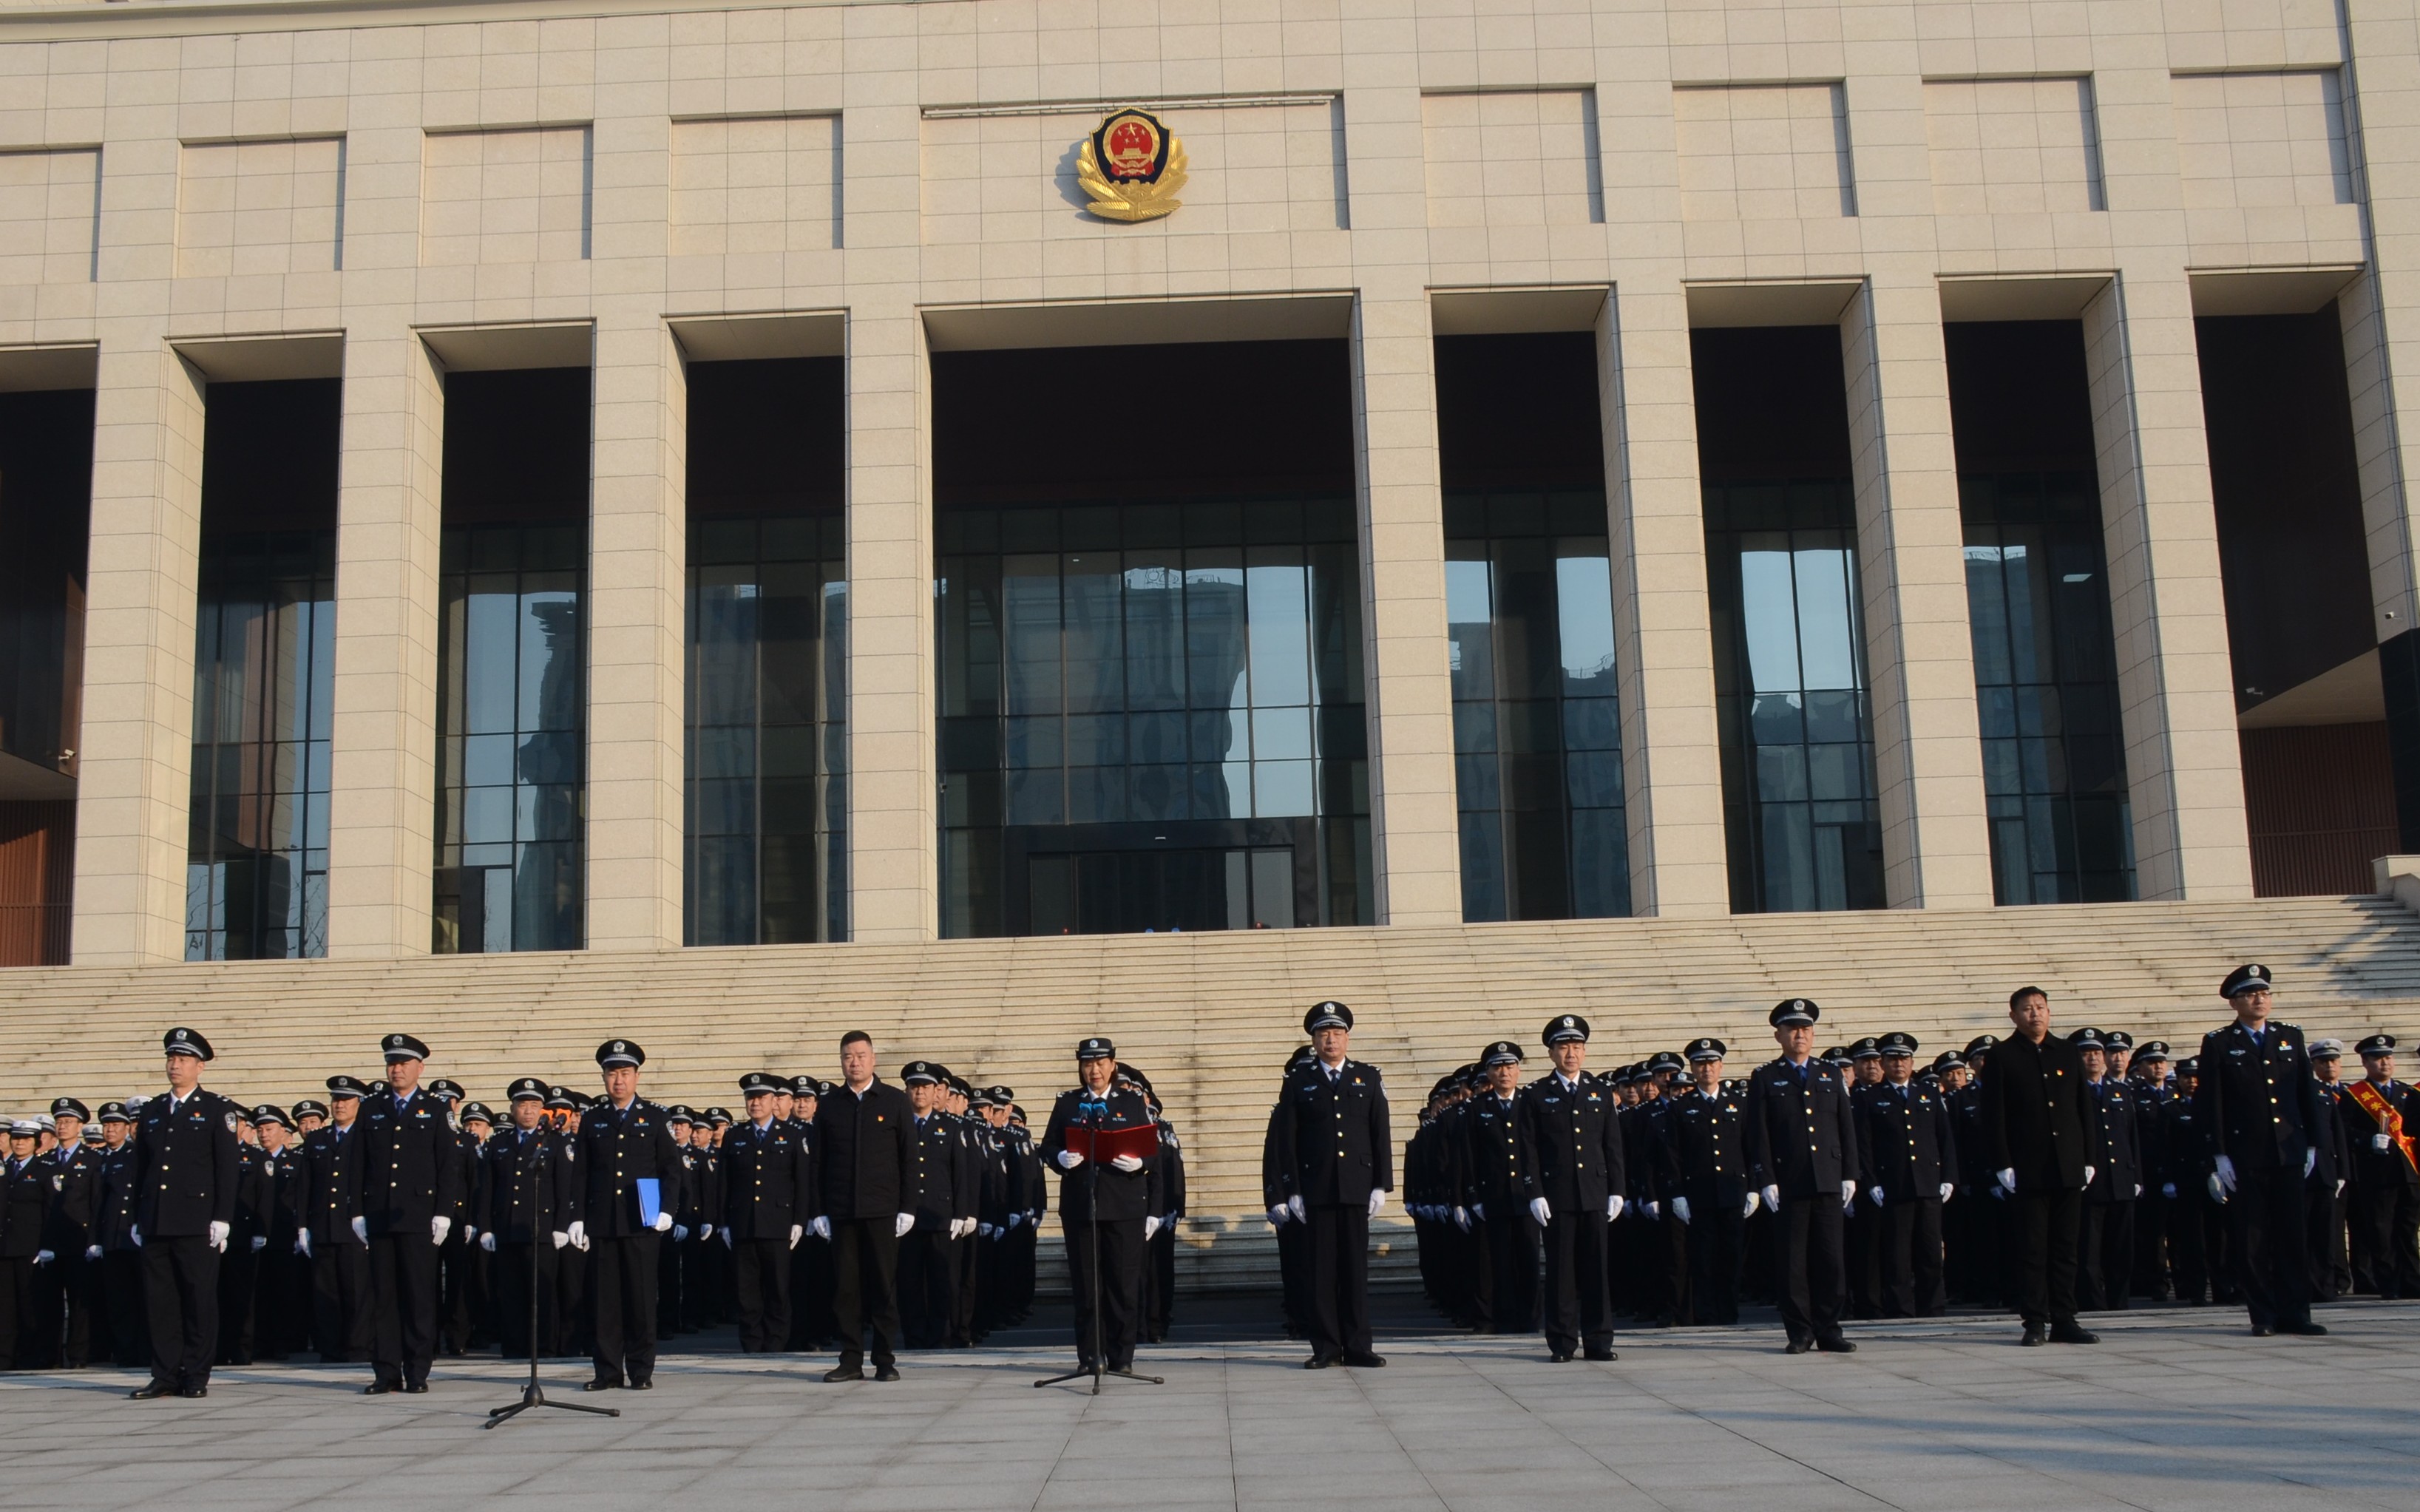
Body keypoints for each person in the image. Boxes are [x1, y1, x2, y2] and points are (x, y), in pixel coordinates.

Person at [2194, 964, 2327, 1337]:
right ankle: (2263, 1315)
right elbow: (2212, 1102)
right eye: (2251, 994)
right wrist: (2218, 1155)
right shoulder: (2220, 1042)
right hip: (2245, 1153)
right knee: (2253, 1238)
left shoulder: (2289, 1036)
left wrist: (2314, 1143)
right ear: (2235, 1002)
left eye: (2265, 993)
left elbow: (2306, 1093)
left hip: (2288, 1150)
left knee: (2292, 1236)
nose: (2259, 999)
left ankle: (2296, 1313)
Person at [1273, 1000, 1392, 1369]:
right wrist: (1291, 1189)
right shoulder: (1299, 1081)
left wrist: (1380, 1185)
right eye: (1324, 1034)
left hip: (1356, 1187)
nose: (1331, 1040)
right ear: (1313, 1040)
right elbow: (1286, 1140)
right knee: (1321, 1272)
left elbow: (1380, 1133)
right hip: (1316, 1188)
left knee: (1355, 1270)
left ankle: (1358, 1345)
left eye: (1337, 1033)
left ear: (1347, 1038)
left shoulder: (1368, 1078)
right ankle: (1325, 1346)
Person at [127, 1026, 243, 1398]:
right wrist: (135, 1217)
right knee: (160, 1303)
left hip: (196, 1220)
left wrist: (222, 1217)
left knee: (198, 1300)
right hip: (157, 1219)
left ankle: (195, 1374)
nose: (174, 1065)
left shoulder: (216, 1110)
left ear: (200, 1067)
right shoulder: (153, 1110)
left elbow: (226, 1168)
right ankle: (164, 1374)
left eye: (183, 1059)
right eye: (171, 1058)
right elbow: (141, 1168)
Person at [1981, 986, 2100, 1346]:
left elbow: (2084, 1109)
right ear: (2013, 1015)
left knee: (2066, 1248)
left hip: (2067, 1164)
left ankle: (2065, 1318)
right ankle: (2035, 1320)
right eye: (2027, 1009)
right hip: (2028, 1167)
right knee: (2033, 1249)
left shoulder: (2066, 1051)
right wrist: (2003, 1162)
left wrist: (2089, 1158)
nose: (2035, 1014)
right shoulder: (2001, 1056)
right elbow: (1994, 1114)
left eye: (2041, 1008)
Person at [1743, 999, 1858, 1354]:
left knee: (1830, 1259)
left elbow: (1844, 1127)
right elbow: (1758, 1133)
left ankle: (1829, 1328)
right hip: (1789, 1180)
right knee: (1793, 1262)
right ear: (1779, 1035)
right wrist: (1765, 1178)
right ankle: (1800, 1331)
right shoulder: (1766, 1077)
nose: (1800, 1035)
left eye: (1805, 1029)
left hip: (1827, 1177)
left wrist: (1849, 1173)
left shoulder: (1829, 1073)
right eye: (1792, 1030)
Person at [355, 1034, 467, 1395]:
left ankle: (417, 1371)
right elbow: (358, 1164)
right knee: (383, 1298)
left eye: (403, 1063)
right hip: (380, 1215)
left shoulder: (435, 1109)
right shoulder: (371, 1108)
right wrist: (356, 1212)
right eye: (392, 1063)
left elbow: (448, 1165)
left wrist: (443, 1212)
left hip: (419, 1215)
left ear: (420, 1067)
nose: (396, 1069)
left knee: (419, 1296)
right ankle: (386, 1371)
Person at [1040, 1037, 1159, 1374]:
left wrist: (1142, 1164)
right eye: (1088, 1064)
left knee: (1122, 1286)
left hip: (1124, 1206)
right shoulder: (1068, 1104)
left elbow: (1153, 1148)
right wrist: (1060, 1157)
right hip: (1082, 1206)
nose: (1094, 1070)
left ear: (1113, 1066)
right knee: (1087, 1286)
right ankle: (1091, 1356)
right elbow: (1048, 1146)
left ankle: (1122, 1357)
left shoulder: (1133, 1101)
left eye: (1101, 1063)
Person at [575, 1038, 685, 1389]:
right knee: (604, 1303)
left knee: (640, 1299)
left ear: (636, 1076)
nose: (618, 1081)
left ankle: (640, 1370)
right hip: (604, 1222)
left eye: (625, 1073)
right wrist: (577, 1217)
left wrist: (668, 1209)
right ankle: (606, 1371)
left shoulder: (655, 1117)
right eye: (612, 1074)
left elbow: (671, 1168)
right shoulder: (593, 1119)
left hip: (642, 1221)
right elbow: (582, 1173)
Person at [1519, 1014, 1627, 1358]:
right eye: (1564, 1047)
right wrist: (1534, 1191)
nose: (1571, 1053)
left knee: (1597, 1271)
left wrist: (1617, 1190)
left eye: (1577, 1046)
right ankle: (1563, 1342)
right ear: (1551, 1053)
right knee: (1562, 1273)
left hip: (1595, 1192)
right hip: (1558, 1194)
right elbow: (1528, 1148)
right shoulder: (1536, 1094)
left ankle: (1598, 1340)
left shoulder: (1599, 1091)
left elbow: (1613, 1145)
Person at [812, 1031, 916, 1382]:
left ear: (873, 1059)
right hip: (842, 1211)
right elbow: (819, 1162)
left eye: (860, 1055)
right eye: (847, 1056)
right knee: (846, 1289)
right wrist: (818, 1209)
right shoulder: (829, 1104)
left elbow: (909, 1157)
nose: (853, 1062)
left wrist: (908, 1206)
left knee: (883, 1287)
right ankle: (850, 1360)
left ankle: (885, 1359)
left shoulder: (893, 1101)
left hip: (883, 1208)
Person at [1857, 1031, 1955, 1319]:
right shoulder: (1871, 1097)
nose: (1899, 1064)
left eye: (1904, 1058)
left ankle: (1933, 1306)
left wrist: (1949, 1176)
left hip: (1927, 1184)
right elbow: (1865, 1145)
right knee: (1897, 1254)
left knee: (1929, 1252)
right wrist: (1871, 1182)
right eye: (1893, 1059)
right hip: (1893, 1185)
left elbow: (1944, 1138)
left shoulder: (1928, 1094)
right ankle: (1899, 1307)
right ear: (1884, 1063)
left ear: (1912, 1062)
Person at [481, 1078, 577, 1359]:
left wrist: (561, 1226)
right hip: (508, 1228)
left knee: (543, 1295)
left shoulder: (555, 1143)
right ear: (512, 1109)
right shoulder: (499, 1142)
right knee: (511, 1294)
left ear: (543, 1110)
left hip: (542, 1229)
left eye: (534, 1106)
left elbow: (563, 1187)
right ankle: (514, 1348)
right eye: (522, 1105)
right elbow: (488, 1188)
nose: (528, 1111)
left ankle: (544, 1348)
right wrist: (487, 1227)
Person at [719, 1071, 813, 1354]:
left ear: (774, 1100)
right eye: (750, 1097)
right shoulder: (735, 1135)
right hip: (743, 1224)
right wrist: (723, 1222)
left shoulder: (792, 1135)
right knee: (747, 1292)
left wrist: (799, 1220)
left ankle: (776, 1343)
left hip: (778, 1224)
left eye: (761, 1097)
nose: (755, 1103)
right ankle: (751, 1343)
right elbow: (724, 1182)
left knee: (777, 1289)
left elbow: (802, 1182)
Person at [1461, 1040, 1536, 1335]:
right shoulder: (1478, 1108)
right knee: (1501, 1263)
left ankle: (1530, 1319)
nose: (1504, 1072)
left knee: (1529, 1260)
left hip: (1528, 1195)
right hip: (1495, 1196)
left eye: (1509, 1066)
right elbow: (1470, 1155)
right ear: (1488, 1074)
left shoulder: (1531, 1103)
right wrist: (1473, 1195)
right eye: (1497, 1067)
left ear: (1518, 1070)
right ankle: (1505, 1319)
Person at [296, 1075, 370, 1363]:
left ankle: (358, 1347)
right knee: (325, 1293)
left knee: (356, 1292)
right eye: (336, 1100)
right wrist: (302, 1225)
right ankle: (330, 1347)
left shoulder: (366, 1136)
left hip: (354, 1227)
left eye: (346, 1100)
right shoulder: (318, 1139)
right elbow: (306, 1185)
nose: (339, 1105)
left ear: (358, 1104)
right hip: (323, 1225)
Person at [2345, 1034, 2419, 1298]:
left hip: (2408, 1171)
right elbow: (2343, 1130)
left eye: (2388, 1057)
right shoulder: (2354, 1096)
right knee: (2381, 1230)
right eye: (2377, 1058)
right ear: (2365, 1062)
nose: (2384, 1063)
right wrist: (2366, 1140)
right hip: (2375, 1173)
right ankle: (2389, 1284)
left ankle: (2413, 1282)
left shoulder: (2407, 1092)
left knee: (2408, 1230)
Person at [41, 1097, 99, 1369]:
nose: (62, 1127)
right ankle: (49, 1356)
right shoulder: (47, 1160)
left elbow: (95, 1202)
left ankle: (78, 1356)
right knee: (48, 1304)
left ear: (80, 1126)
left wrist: (93, 1240)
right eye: (59, 1122)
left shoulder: (91, 1159)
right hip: (51, 1244)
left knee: (79, 1304)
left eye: (68, 1122)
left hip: (79, 1241)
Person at [0, 1119, 47, 1369]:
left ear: (36, 1144)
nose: (19, 1143)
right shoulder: (4, 1169)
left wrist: (47, 1244)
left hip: (31, 1247)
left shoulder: (43, 1170)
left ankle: (31, 1356)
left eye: (25, 1139)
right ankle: (6, 1357)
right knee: (5, 1307)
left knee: (29, 1303)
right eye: (16, 1138)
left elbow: (50, 1210)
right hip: (5, 1246)